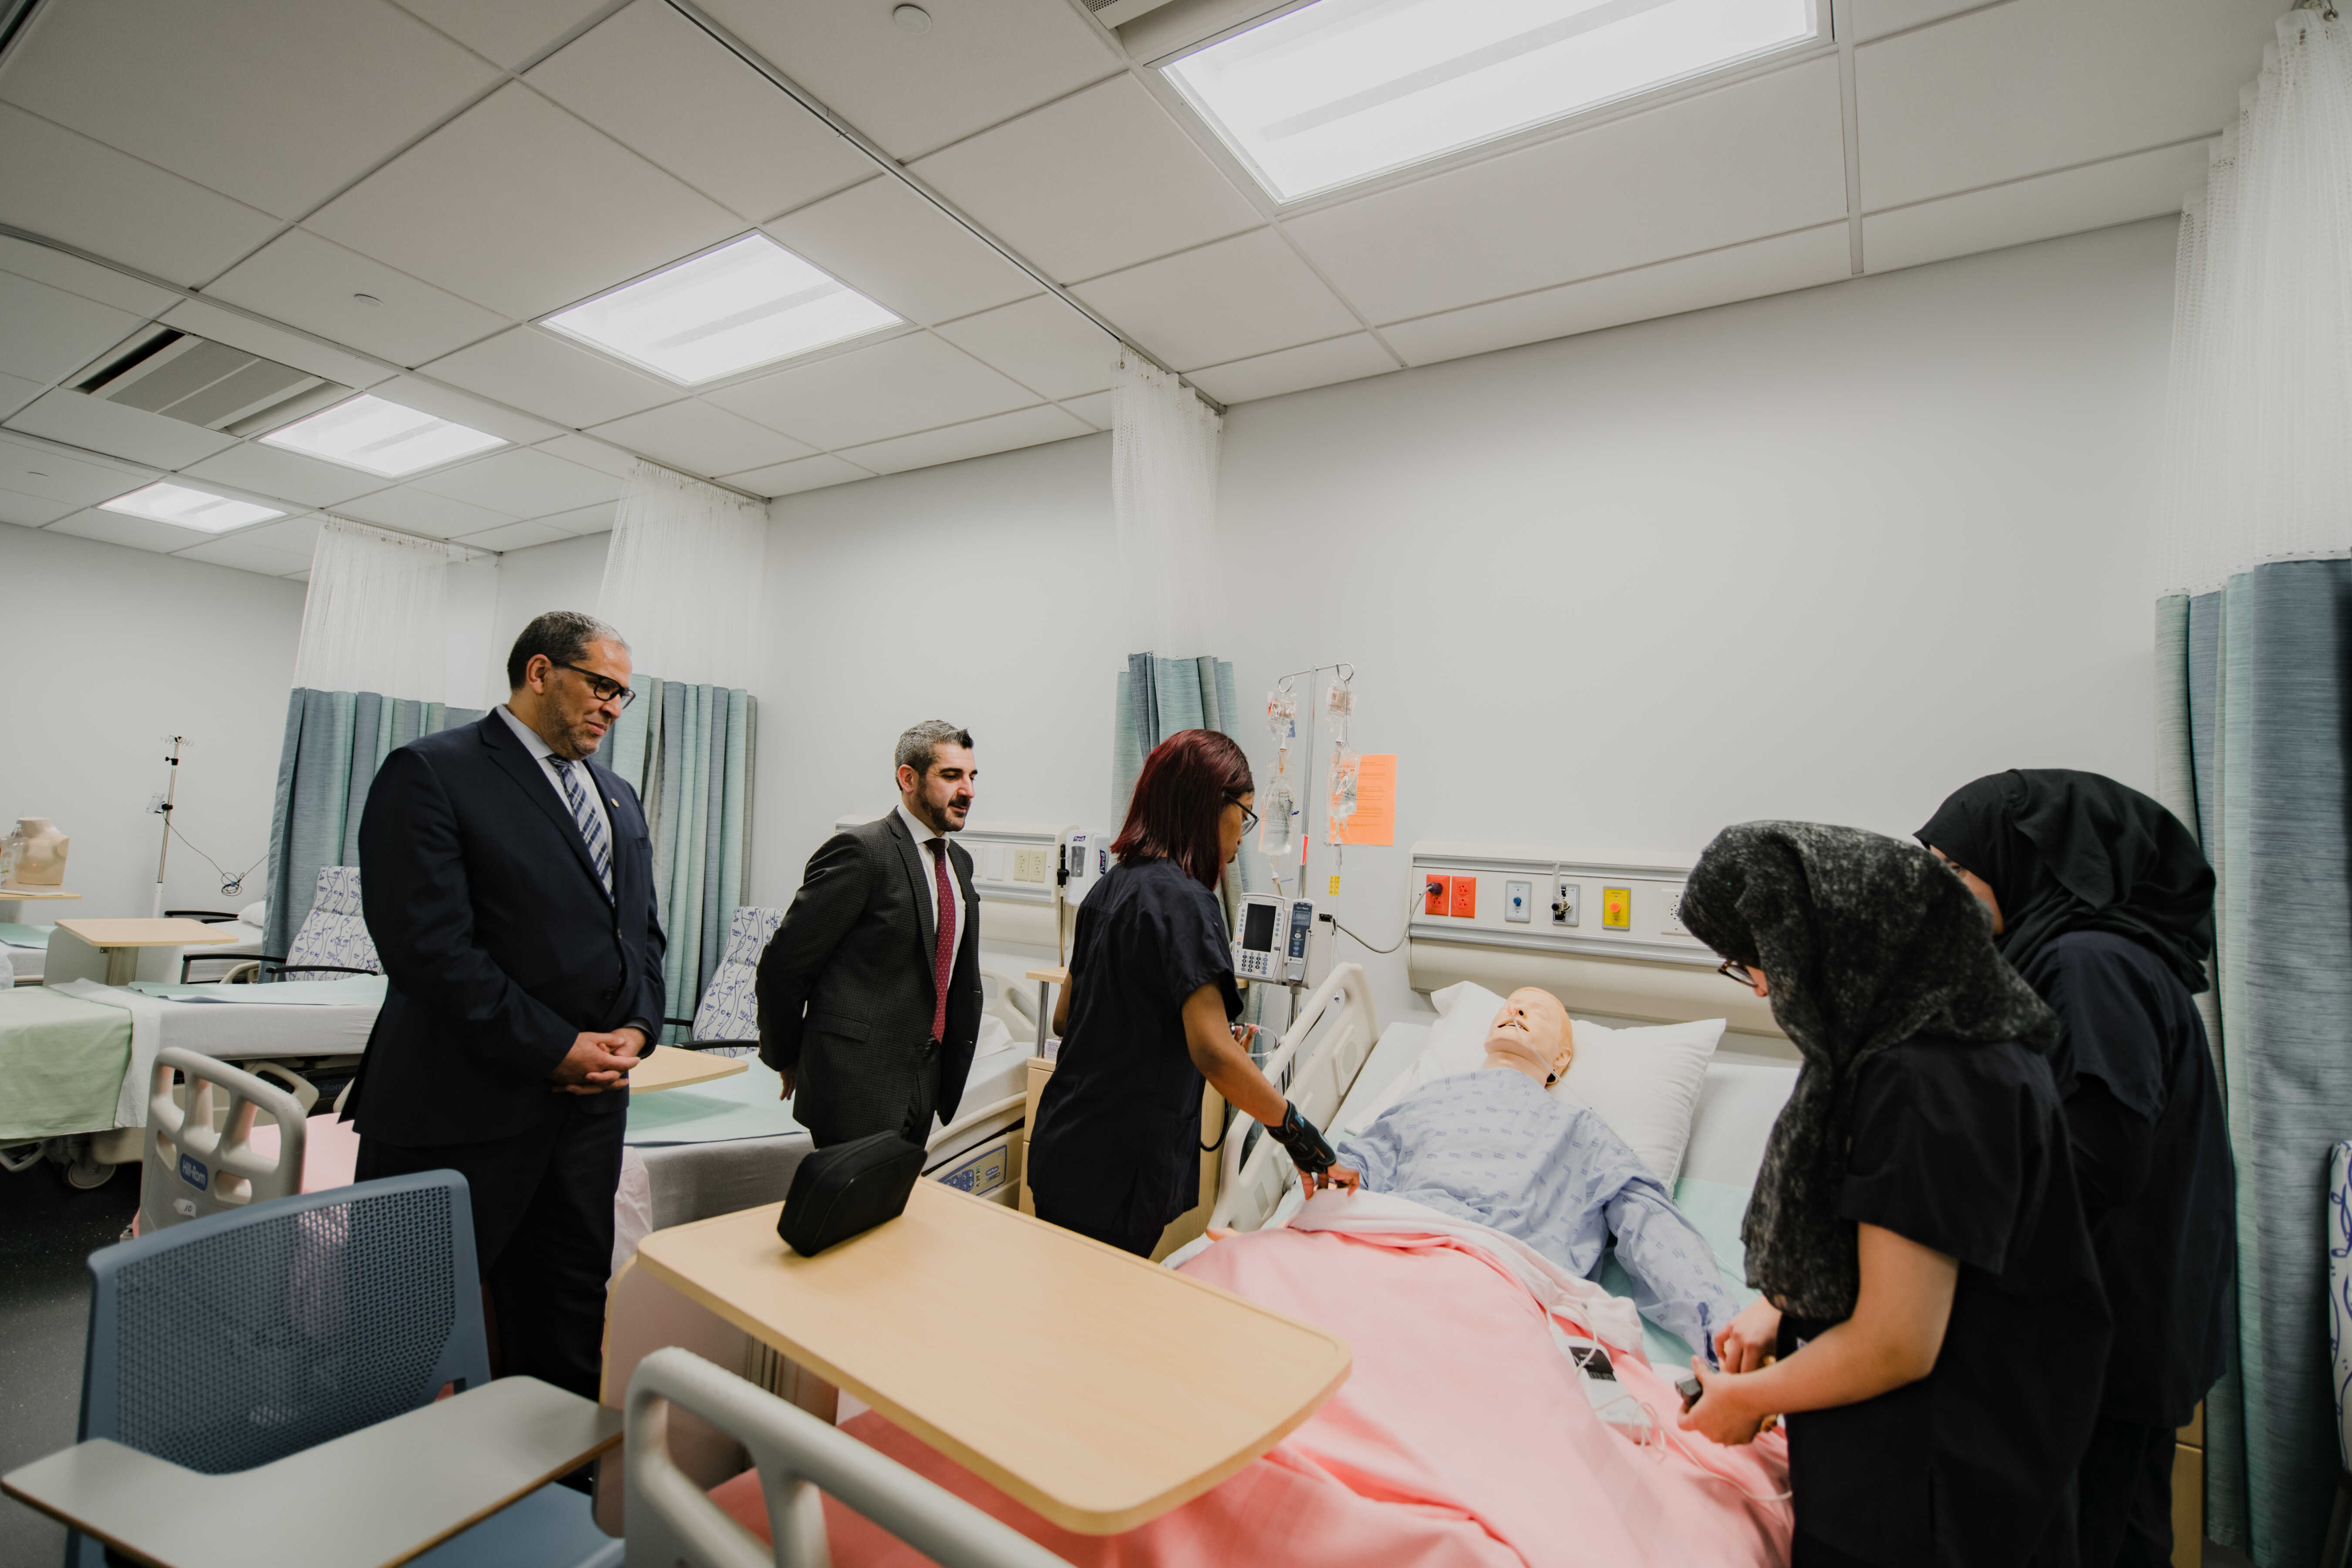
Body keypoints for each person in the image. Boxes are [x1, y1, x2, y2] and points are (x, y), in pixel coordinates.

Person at [1674, 822, 2111, 1568]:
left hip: (1933, 1492)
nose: (1763, 985)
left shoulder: (1926, 1085)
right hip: (1934, 1459)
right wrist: (1783, 1309)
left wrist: (1747, 1400)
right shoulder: (1947, 1034)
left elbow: (1896, 1343)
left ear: (1823, 939)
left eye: (1755, 959)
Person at [347, 610, 665, 1404]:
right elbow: (428, 950)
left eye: (623, 695)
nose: (613, 707)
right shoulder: (433, 771)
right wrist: (555, 1047)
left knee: (566, 1319)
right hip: (458, 1107)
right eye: (601, 686)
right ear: (539, 672)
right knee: (399, 1335)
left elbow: (642, 935)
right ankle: (384, 1476)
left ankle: (553, 1471)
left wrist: (637, 1027)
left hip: (586, 1119)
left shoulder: (617, 797)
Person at [1918, 770, 2232, 1568]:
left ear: (2029, 864)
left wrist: (1940, 1209)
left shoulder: (2090, 963)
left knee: (2096, 1537)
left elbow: (2100, 1160)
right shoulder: (2083, 957)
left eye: (1956, 867)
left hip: (2103, 1336)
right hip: (2117, 1324)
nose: (1940, 889)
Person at [1026, 729, 1344, 1257]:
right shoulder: (1188, 904)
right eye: (1245, 813)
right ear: (1209, 806)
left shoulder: (1108, 888)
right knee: (1101, 1301)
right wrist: (1298, 1134)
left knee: (1067, 1295)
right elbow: (1213, 1053)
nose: (1243, 835)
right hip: (1119, 1170)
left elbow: (1066, 1018)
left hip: (1063, 1143)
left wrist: (1184, 1038)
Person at [1332, 987, 1738, 1358]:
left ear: (1560, 1059)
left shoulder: (1581, 1131)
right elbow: (1352, 1170)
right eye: (1510, 1006)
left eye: (1536, 1012)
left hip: (1498, 1285)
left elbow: (1653, 1228)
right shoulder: (1426, 1099)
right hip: (1387, 1260)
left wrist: (1724, 1334)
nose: (1517, 1010)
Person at [756, 720, 982, 1148]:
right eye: (951, 776)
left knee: (900, 1194)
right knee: (849, 1195)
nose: (968, 791)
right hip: (855, 1084)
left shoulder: (959, 864)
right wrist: (787, 1055)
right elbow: (784, 967)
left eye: (972, 777)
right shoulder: (863, 852)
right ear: (908, 778)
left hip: (925, 1079)